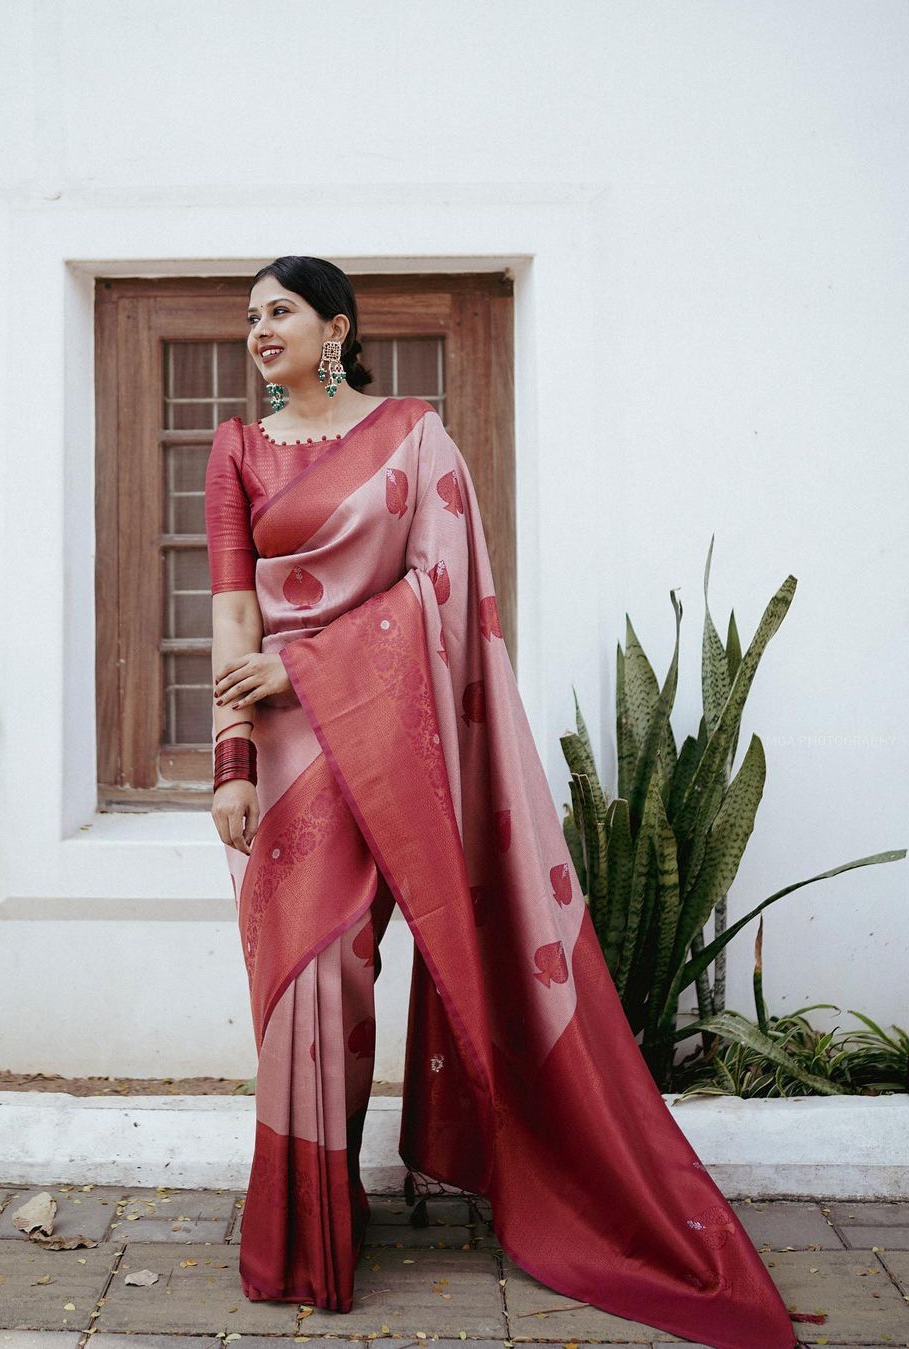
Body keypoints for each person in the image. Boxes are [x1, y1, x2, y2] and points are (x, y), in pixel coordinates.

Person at [204, 255, 799, 1349]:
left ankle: (346, 1209)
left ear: (335, 326)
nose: (258, 329)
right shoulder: (236, 448)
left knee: (350, 963)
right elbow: (235, 617)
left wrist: (312, 666)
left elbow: (437, 592)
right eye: (249, 316)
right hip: (285, 756)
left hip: (378, 733)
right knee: (303, 985)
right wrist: (232, 762)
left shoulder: (416, 438)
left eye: (279, 310)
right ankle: (310, 1222)